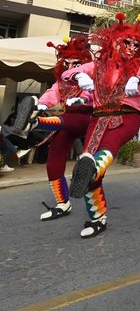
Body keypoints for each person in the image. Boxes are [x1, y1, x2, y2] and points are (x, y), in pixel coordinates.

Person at [62, 12, 140, 239]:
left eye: (136, 44)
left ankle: (92, 168)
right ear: (114, 41)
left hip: (126, 116)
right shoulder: (96, 65)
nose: (131, 47)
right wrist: (79, 76)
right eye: (126, 42)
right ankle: (97, 218)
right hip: (98, 119)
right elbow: (67, 73)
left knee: (108, 146)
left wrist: (139, 79)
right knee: (89, 168)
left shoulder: (138, 66)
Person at [29, 36, 95, 221]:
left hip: (87, 119)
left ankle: (36, 122)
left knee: (66, 119)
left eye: (77, 63)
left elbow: (94, 94)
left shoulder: (90, 77)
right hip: (64, 123)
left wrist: (83, 98)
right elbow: (52, 93)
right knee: (53, 162)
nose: (72, 66)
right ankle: (62, 204)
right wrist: (42, 104)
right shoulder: (62, 82)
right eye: (68, 63)